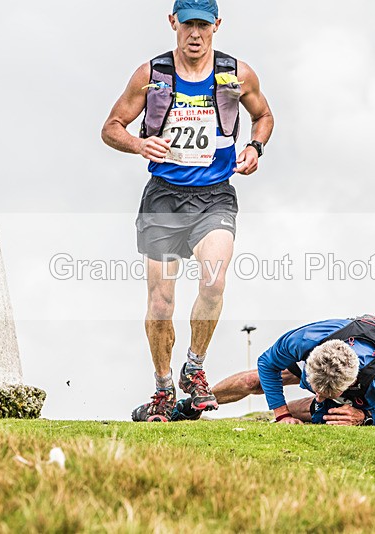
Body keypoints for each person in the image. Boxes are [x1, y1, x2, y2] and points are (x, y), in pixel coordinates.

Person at [101, 0, 274, 422]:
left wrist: (255, 147)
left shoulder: (237, 74)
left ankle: (194, 368)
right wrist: (140, 144)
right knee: (161, 303)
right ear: (172, 23)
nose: (194, 34)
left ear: (216, 24)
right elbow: (110, 128)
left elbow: (264, 115)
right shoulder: (151, 74)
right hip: (164, 197)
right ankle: (162, 389)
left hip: (215, 194)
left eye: (203, 25)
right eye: (187, 25)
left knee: (214, 279)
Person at [173, 316, 375, 425]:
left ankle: (304, 408)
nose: (320, 396)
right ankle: (196, 405)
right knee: (254, 381)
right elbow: (266, 364)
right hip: (327, 356)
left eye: (328, 393)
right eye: (315, 389)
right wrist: (281, 414)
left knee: (313, 411)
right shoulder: (303, 341)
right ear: (307, 361)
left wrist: (365, 417)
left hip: (363, 377)